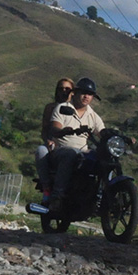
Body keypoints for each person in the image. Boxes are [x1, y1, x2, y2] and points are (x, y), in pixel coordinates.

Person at [46, 76, 105, 214]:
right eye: (83, 92)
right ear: (76, 93)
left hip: (82, 153)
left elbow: (102, 131)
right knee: (70, 154)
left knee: (100, 158)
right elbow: (54, 128)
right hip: (60, 151)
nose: (86, 96)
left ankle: (100, 197)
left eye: (90, 94)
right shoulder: (63, 108)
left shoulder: (93, 115)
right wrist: (62, 132)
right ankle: (57, 197)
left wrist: (117, 137)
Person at [34, 78, 73, 203]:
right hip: (53, 144)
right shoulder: (50, 108)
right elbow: (45, 129)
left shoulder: (76, 108)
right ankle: (47, 187)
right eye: (61, 89)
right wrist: (48, 141)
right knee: (41, 151)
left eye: (67, 89)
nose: (64, 91)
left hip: (71, 145)